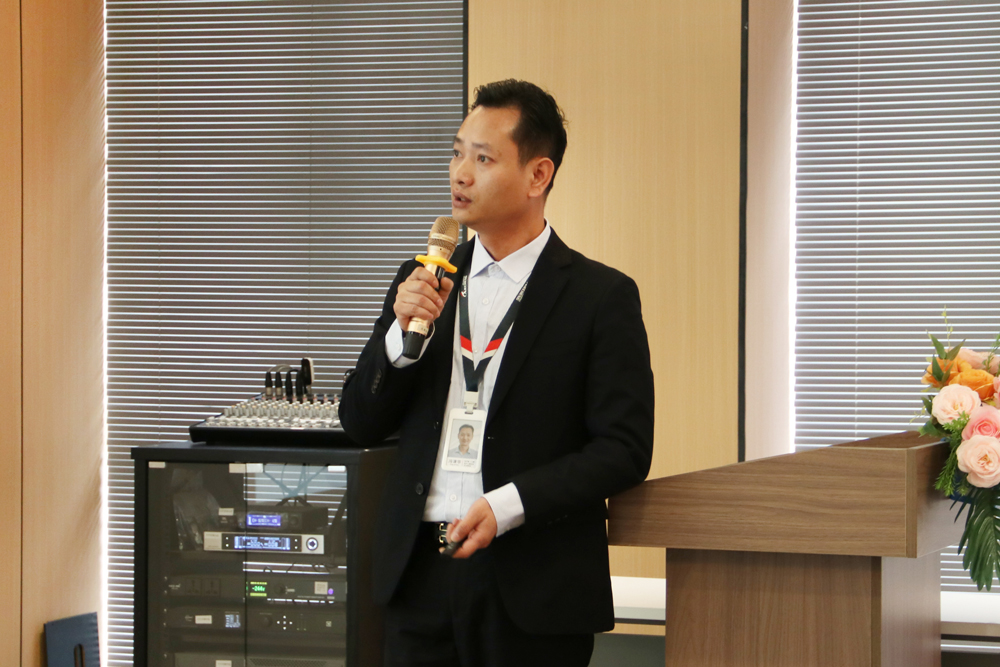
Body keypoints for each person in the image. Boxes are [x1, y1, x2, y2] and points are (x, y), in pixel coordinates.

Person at [338, 79, 654, 667]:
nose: (460, 174)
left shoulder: (599, 297)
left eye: (482, 159)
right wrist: (400, 341)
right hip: (419, 575)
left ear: (538, 176)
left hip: (533, 583)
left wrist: (508, 504)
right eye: (457, 153)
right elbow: (359, 420)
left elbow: (624, 449)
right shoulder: (422, 279)